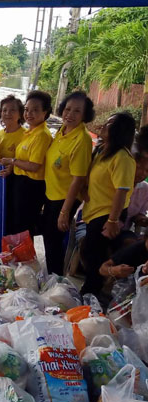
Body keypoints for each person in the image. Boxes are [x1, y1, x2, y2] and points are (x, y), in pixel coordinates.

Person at [80, 112, 137, 300]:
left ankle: (91, 294)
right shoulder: (103, 150)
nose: (105, 124)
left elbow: (121, 191)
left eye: (111, 123)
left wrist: (112, 220)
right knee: (90, 253)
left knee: (94, 254)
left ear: (120, 130)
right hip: (94, 211)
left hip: (108, 214)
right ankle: (91, 291)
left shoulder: (122, 157)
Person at [41, 92, 94, 275]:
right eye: (67, 109)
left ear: (85, 115)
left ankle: (56, 285)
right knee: (49, 242)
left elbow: (78, 179)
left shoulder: (82, 139)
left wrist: (65, 211)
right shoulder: (62, 131)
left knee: (55, 245)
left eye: (77, 111)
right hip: (51, 195)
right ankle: (52, 281)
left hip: (64, 199)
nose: (70, 114)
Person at [0, 90, 53, 236]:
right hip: (21, 182)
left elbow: (34, 166)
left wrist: (12, 161)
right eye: (27, 110)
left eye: (35, 110)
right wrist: (12, 167)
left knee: (25, 226)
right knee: (19, 224)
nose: (29, 113)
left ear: (45, 112)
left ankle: (26, 258)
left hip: (31, 187)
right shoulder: (30, 132)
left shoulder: (42, 135)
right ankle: (19, 256)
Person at [0, 95, 26, 235]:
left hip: (17, 182)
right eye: (4, 110)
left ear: (20, 113)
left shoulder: (25, 135)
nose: (7, 113)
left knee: (15, 218)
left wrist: (12, 167)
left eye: (12, 110)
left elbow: (26, 159)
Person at [119, 125, 148, 244]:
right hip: (97, 225)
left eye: (147, 171)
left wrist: (142, 219)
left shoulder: (145, 190)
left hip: (123, 231)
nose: (141, 173)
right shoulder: (116, 182)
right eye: (138, 167)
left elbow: (138, 215)